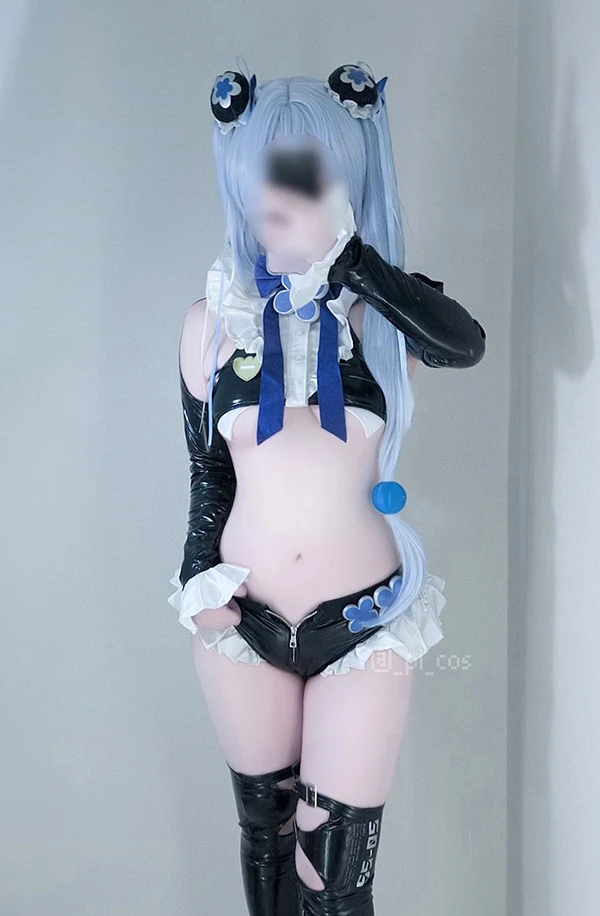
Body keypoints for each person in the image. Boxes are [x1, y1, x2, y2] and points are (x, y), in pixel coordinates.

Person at [167, 61, 486, 916]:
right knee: (267, 850)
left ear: (347, 180)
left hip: (364, 619)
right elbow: (207, 469)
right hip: (244, 620)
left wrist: (353, 264)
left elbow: (463, 345)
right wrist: (198, 573)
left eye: (310, 175)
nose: (286, 194)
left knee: (336, 882)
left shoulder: (382, 313)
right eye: (272, 174)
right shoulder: (211, 322)